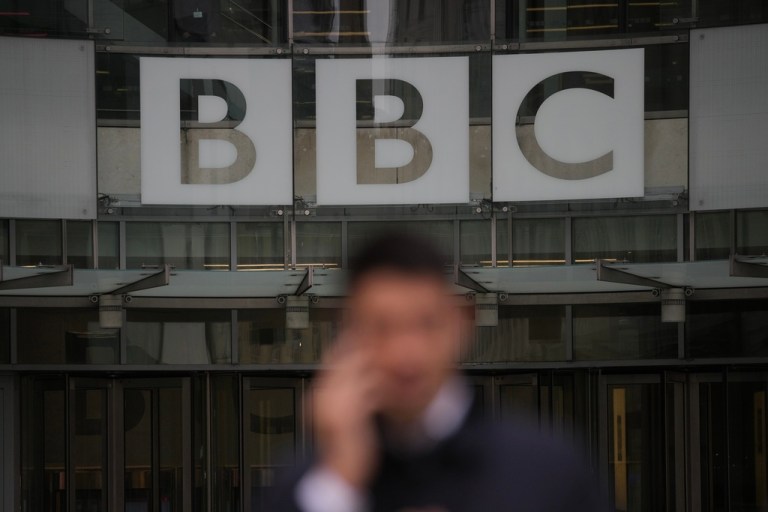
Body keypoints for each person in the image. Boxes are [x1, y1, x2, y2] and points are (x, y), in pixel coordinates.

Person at [271, 232, 607, 512]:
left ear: (460, 326)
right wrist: (340, 484)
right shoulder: (311, 486)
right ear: (348, 334)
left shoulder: (545, 469)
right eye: (382, 327)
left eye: (426, 324)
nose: (406, 354)